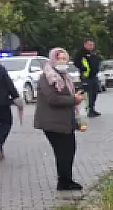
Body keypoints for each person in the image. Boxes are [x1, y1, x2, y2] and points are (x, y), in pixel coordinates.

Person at [34, 48, 84, 191]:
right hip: (52, 122)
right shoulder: (47, 76)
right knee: (63, 151)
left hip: (65, 121)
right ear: (52, 60)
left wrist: (76, 96)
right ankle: (64, 181)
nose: (62, 61)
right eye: (59, 58)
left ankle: (66, 180)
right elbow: (53, 99)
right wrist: (73, 99)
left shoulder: (64, 76)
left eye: (64, 58)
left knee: (69, 150)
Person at [74, 39, 103, 118]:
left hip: (94, 76)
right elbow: (76, 62)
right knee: (88, 94)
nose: (91, 46)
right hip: (86, 77)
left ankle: (92, 108)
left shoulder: (93, 53)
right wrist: (83, 68)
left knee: (95, 92)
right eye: (89, 45)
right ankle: (89, 110)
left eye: (92, 45)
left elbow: (97, 60)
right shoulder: (81, 53)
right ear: (85, 44)